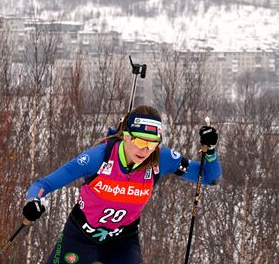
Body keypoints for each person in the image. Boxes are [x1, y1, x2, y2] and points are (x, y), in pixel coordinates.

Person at [23, 105, 222, 264]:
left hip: (122, 242)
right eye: (140, 142)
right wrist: (33, 201)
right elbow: (44, 184)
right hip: (80, 237)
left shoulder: (162, 159)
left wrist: (211, 150)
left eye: (152, 144)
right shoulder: (99, 158)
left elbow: (208, 177)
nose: (145, 150)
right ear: (126, 136)